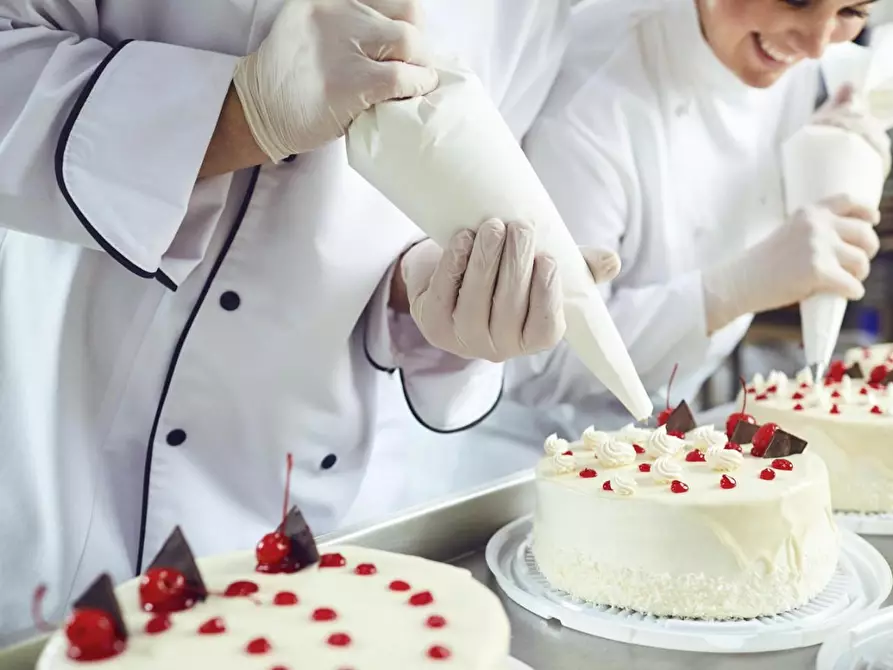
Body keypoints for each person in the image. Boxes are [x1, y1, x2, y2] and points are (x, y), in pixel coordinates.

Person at [0, 0, 622, 644]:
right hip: (65, 469)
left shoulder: (536, 15)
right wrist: (237, 114)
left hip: (311, 514)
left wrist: (430, 290)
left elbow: (426, 207)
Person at [505, 0, 890, 434]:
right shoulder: (590, 105)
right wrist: (732, 289)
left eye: (851, 12)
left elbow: (868, 73)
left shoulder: (789, 54)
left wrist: (847, 143)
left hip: (665, 426)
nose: (818, 46)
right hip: (525, 448)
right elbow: (541, 366)